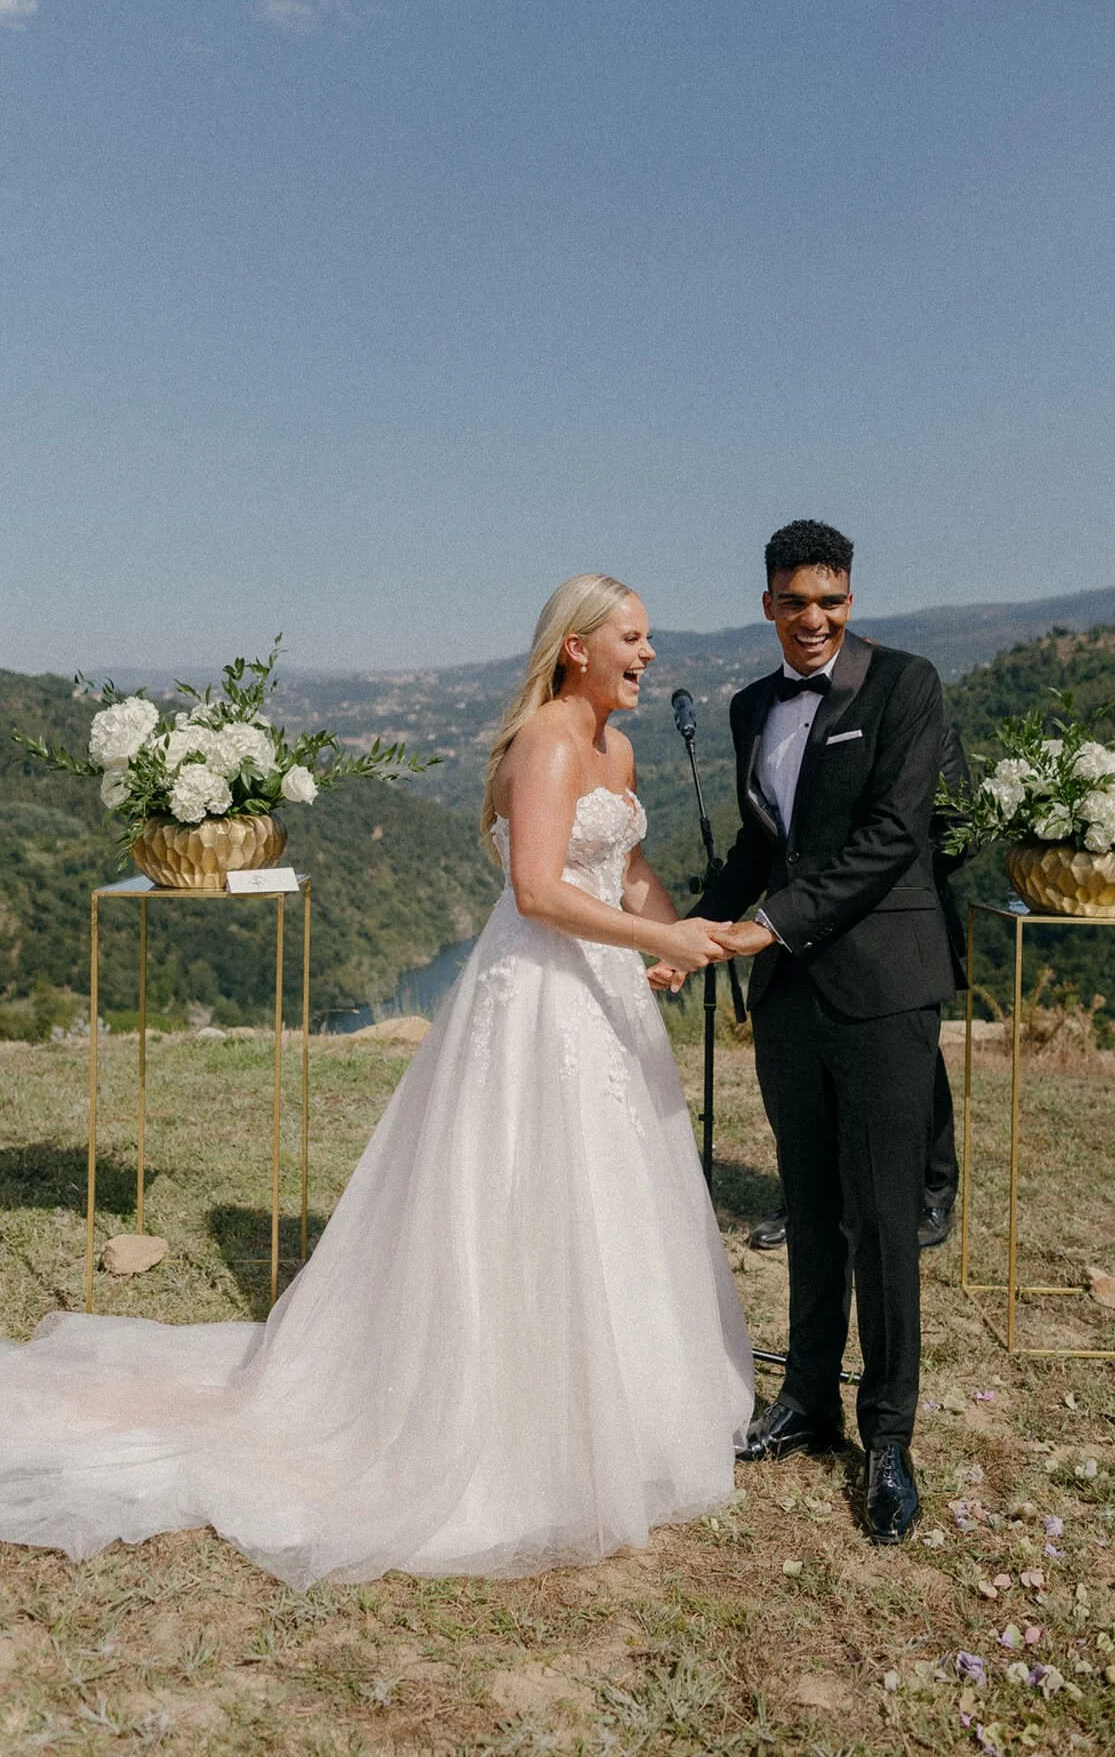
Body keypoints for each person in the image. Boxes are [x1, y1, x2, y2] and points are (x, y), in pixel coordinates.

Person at [0, 576, 754, 1588]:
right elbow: (537, 891)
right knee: (524, 1185)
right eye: (632, 637)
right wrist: (652, 939)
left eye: (648, 637)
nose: (648, 653)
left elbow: (628, 870)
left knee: (615, 1189)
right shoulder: (541, 744)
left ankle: (623, 1410)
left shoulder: (614, 749)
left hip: (603, 991)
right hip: (539, 994)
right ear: (576, 648)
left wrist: (679, 931)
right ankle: (504, 1420)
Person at [697, 520, 957, 1545]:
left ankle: (887, 1436)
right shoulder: (747, 707)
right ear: (767, 603)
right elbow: (761, 847)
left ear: (851, 599)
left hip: (885, 987)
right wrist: (687, 933)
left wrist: (770, 924)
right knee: (808, 1205)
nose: (815, 620)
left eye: (832, 601)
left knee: (882, 1216)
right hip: (789, 995)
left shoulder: (905, 686)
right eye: (796, 602)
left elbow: (894, 837)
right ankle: (806, 1399)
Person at [749, 722, 974, 1255]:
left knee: (916, 1071)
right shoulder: (785, 721)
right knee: (809, 1075)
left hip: (893, 933)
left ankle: (931, 1192)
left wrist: (887, 878)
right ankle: (807, 1199)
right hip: (804, 924)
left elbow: (961, 831)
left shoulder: (919, 715)